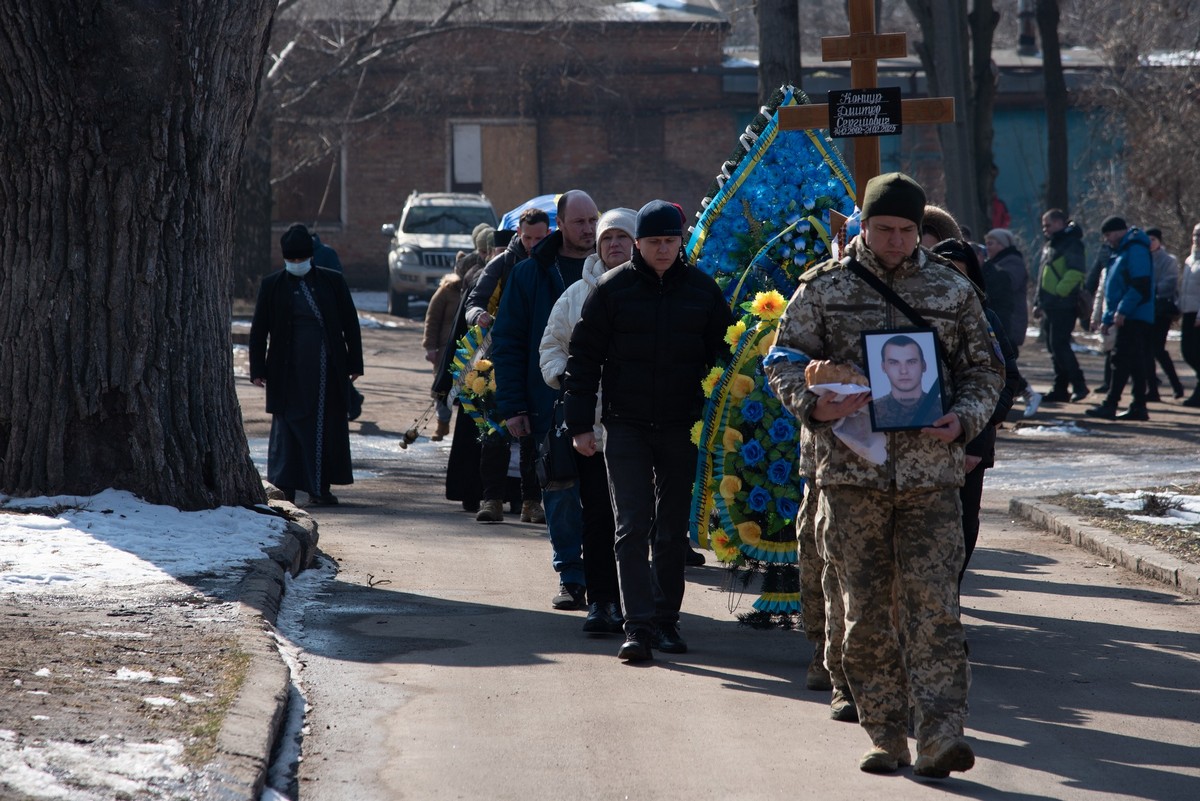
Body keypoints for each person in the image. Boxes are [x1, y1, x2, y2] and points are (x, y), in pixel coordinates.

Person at [765, 173, 1002, 777]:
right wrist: (815, 405)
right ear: (864, 226)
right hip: (851, 476)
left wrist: (965, 419)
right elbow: (783, 359)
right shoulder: (824, 289)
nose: (895, 241)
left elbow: (985, 368)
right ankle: (886, 734)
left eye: (906, 230)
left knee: (935, 609)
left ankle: (941, 736)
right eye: (884, 229)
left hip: (930, 476)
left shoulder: (951, 289)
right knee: (865, 610)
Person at [564, 199, 733, 661]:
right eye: (654, 242)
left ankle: (665, 621)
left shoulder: (702, 291)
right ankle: (636, 626)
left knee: (672, 528)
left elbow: (727, 355)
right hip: (626, 424)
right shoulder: (611, 289)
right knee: (632, 525)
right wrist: (579, 424)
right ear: (637, 243)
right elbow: (583, 360)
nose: (663, 250)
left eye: (670, 241)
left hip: (682, 426)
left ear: (682, 242)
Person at [493, 190, 599, 610]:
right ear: (560, 224)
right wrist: (513, 406)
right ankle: (571, 575)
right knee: (560, 488)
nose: (589, 230)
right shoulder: (531, 274)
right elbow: (509, 342)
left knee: (606, 495)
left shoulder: (615, 268)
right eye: (579, 222)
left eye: (593, 220)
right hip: (548, 401)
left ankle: (606, 577)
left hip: (607, 404)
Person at [539, 207, 636, 634]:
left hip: (640, 427)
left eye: (623, 237)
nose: (614, 245)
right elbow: (551, 348)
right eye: (606, 238)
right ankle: (601, 601)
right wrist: (572, 380)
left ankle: (640, 603)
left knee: (636, 521)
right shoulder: (576, 295)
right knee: (597, 516)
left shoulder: (652, 289)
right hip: (591, 428)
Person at [250, 223, 364, 506]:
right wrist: (257, 369)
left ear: (311, 256)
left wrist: (355, 363)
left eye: (301, 259)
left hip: (326, 367)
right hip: (286, 369)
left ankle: (319, 488)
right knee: (287, 428)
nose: (297, 264)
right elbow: (259, 329)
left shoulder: (331, 282)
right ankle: (285, 486)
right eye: (292, 260)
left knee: (322, 426)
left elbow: (350, 323)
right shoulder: (272, 285)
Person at [931, 239, 1022, 588]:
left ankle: (950, 589)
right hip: (923, 443)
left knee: (965, 522)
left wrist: (977, 442)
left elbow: (1003, 377)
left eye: (957, 272)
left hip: (970, 444)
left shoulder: (985, 317)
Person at [468, 209, 552, 524]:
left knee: (533, 433)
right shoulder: (502, 262)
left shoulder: (551, 264)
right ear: (518, 231)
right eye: (527, 237)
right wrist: (480, 316)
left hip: (538, 358)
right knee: (496, 431)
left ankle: (531, 502)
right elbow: (474, 300)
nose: (532, 244)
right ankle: (491, 499)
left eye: (539, 238)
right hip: (497, 357)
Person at [423, 227, 495, 440]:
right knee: (442, 387)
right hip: (446, 347)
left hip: (471, 347)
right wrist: (430, 346)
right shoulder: (448, 289)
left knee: (467, 388)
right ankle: (442, 422)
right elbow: (432, 318)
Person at [1086, 217, 1155, 421]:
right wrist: (1107, 318)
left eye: (1108, 235)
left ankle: (1111, 404)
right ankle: (1138, 406)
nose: (1107, 240)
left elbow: (1140, 284)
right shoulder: (1122, 251)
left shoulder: (1135, 249)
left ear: (1118, 231)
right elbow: (1114, 289)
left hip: (1134, 315)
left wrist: (1122, 311)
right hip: (1127, 315)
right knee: (1134, 362)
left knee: (1120, 359)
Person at [1032, 209, 1089, 404]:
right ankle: (1060, 388)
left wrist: (1058, 292)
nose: (1044, 229)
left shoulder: (1071, 242)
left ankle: (1079, 385)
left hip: (1063, 304)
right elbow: (1043, 274)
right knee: (1053, 345)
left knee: (1060, 345)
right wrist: (1039, 301)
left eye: (1047, 225)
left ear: (1059, 223)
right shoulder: (1052, 244)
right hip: (1050, 304)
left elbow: (1076, 272)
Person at [1145, 227, 1184, 401]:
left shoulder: (1168, 260)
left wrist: (1149, 290)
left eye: (1153, 239)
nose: (1150, 243)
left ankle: (1176, 384)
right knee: (1146, 351)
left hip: (1161, 311)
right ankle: (1152, 389)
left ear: (1159, 241)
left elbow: (1170, 283)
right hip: (1145, 310)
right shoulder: (1142, 258)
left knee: (1158, 349)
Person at [870, 334, 940, 428]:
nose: (903, 371)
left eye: (911, 362)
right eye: (894, 363)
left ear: (923, 365)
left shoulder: (944, 408)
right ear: (883, 367)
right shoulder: (873, 411)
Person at [1181, 223, 1200, 407]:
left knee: (1194, 352)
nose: (1197, 238)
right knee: (1186, 351)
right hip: (1187, 310)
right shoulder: (1190, 260)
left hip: (1198, 314)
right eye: (1195, 234)